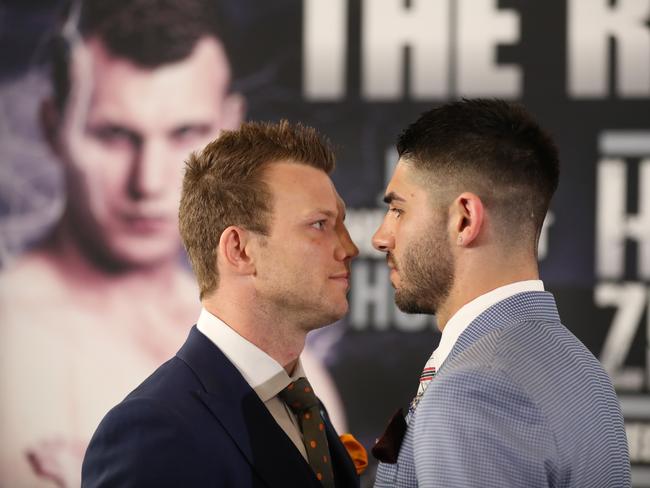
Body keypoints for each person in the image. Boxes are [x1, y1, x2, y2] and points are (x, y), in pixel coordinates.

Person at [0, 1, 344, 486]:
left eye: (186, 132)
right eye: (115, 135)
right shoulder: (11, 341)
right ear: (53, 124)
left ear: (230, 127)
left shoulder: (287, 363)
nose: (150, 180)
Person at [81, 120, 360, 487]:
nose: (349, 248)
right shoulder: (153, 432)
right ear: (239, 250)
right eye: (320, 225)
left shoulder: (304, 407)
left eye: (341, 223)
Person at [371, 99, 631, 487]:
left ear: (464, 219)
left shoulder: (472, 390)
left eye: (398, 210)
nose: (380, 237)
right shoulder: (583, 369)